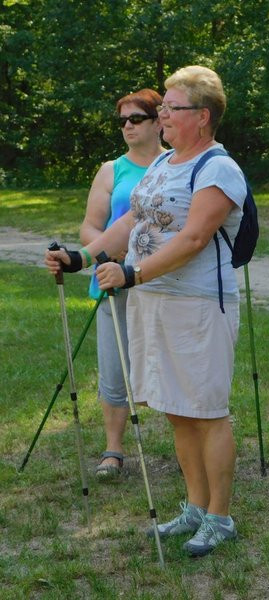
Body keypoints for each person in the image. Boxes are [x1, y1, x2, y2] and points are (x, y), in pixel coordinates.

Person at [45, 65, 247, 557]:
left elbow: (194, 238)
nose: (163, 116)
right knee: (177, 410)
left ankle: (220, 517)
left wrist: (133, 273)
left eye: (171, 108)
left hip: (199, 304)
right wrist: (82, 258)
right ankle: (195, 507)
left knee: (206, 411)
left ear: (202, 116)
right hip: (153, 302)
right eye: (163, 108)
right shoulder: (163, 164)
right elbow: (130, 221)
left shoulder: (218, 168)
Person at [80, 88, 165, 479]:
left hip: (163, 280)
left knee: (169, 364)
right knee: (114, 369)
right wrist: (104, 256)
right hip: (114, 280)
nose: (127, 126)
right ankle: (113, 449)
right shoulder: (111, 170)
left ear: (159, 121)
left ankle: (190, 444)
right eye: (123, 121)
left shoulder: (177, 164)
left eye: (136, 119)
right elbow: (90, 227)